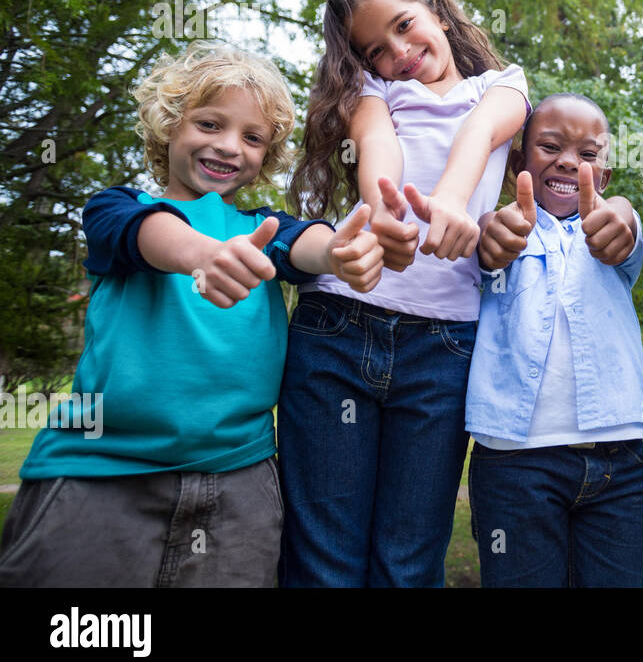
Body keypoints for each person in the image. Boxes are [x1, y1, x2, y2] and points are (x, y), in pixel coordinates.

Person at [0, 41, 382, 587]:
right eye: (209, 124)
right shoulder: (119, 207)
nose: (229, 146)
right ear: (170, 127)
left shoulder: (261, 230)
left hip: (238, 482)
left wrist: (338, 254)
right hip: (99, 471)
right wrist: (204, 255)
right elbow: (147, 236)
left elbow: (306, 244)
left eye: (252, 137)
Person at [279, 0, 528, 587]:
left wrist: (447, 200)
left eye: (406, 26)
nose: (400, 52)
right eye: (377, 49)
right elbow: (378, 142)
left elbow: (479, 133)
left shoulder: (501, 87)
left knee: (408, 562)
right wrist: (387, 212)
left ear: (438, 13)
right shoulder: (373, 91)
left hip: (440, 350)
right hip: (338, 327)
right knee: (324, 559)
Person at [466, 93, 643, 587]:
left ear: (604, 177)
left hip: (618, 461)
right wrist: (489, 232)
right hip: (513, 464)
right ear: (517, 165)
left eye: (588, 154)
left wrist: (623, 212)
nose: (569, 160)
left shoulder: (611, 235)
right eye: (550, 146)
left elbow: (625, 229)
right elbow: (485, 245)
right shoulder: (502, 229)